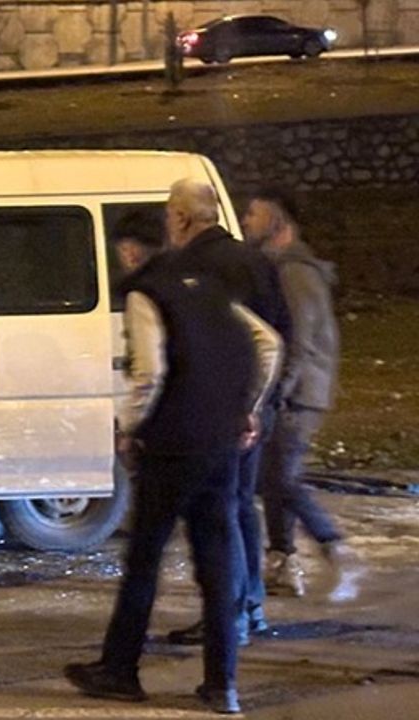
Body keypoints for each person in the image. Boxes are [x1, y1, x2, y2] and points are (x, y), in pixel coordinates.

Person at [64, 182, 283, 716]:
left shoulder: (147, 293)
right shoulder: (208, 287)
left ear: (130, 250)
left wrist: (129, 427)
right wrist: (247, 407)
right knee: (217, 563)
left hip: (171, 445)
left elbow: (150, 371)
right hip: (220, 444)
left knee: (144, 558)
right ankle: (221, 685)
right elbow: (269, 343)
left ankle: (120, 670)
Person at [160, 180, 291, 649]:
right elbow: (281, 331)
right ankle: (249, 605)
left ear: (182, 217)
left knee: (218, 513)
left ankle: (228, 617)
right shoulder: (254, 261)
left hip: (222, 411)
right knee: (239, 507)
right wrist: (265, 401)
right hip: (257, 405)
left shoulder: (193, 268)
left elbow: (206, 346)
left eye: (169, 215)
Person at [242, 187, 361, 601]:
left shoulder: (296, 272)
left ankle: (333, 544)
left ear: (278, 221)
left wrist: (277, 392)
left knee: (278, 478)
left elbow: (300, 342)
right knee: (273, 477)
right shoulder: (282, 269)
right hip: (295, 391)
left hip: (300, 393)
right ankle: (283, 563)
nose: (246, 220)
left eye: (254, 213)